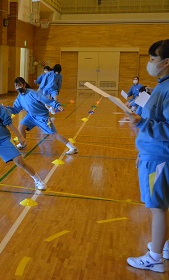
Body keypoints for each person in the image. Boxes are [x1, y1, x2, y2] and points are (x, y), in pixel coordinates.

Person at [126, 39, 169, 273]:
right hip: (152, 153)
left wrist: (142, 122)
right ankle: (164, 245)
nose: (150, 63)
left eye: (153, 59)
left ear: (166, 62)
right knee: (162, 203)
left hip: (159, 157)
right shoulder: (163, 85)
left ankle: (154, 258)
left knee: (157, 206)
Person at [6, 77, 78, 155]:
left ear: (24, 85)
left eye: (19, 85)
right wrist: (6, 109)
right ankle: (23, 144)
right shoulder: (19, 97)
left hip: (42, 117)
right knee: (21, 127)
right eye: (16, 86)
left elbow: (45, 100)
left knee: (53, 134)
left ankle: (72, 147)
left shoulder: (32, 93)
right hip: (31, 116)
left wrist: (56, 105)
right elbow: (16, 109)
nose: (18, 88)